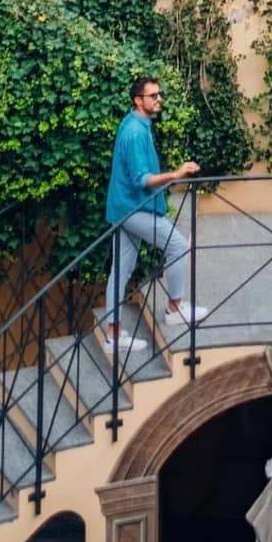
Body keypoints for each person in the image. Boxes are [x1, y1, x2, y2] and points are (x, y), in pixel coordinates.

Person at [104, 76, 206, 352]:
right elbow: (141, 179)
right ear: (138, 100)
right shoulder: (136, 132)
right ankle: (175, 308)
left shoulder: (135, 123)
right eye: (153, 96)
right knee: (176, 245)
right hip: (134, 208)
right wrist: (177, 174)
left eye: (159, 94)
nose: (159, 99)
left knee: (121, 270)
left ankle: (114, 334)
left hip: (122, 207)